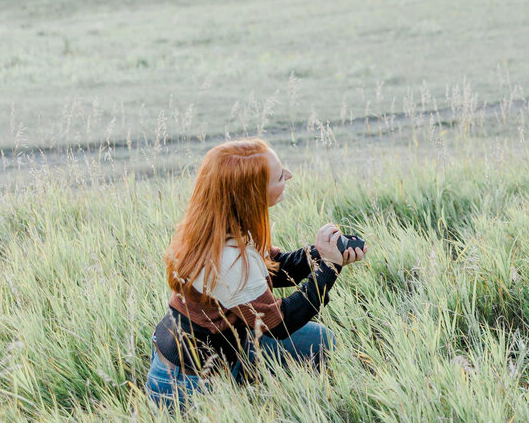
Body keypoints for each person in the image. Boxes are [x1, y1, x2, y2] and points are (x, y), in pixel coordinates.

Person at [145, 138, 366, 408]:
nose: (289, 175)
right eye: (278, 176)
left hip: (228, 345)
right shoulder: (229, 259)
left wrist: (321, 252)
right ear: (252, 194)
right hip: (187, 383)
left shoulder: (225, 224)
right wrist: (330, 268)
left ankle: (298, 395)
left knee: (320, 340)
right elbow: (280, 324)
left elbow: (275, 270)